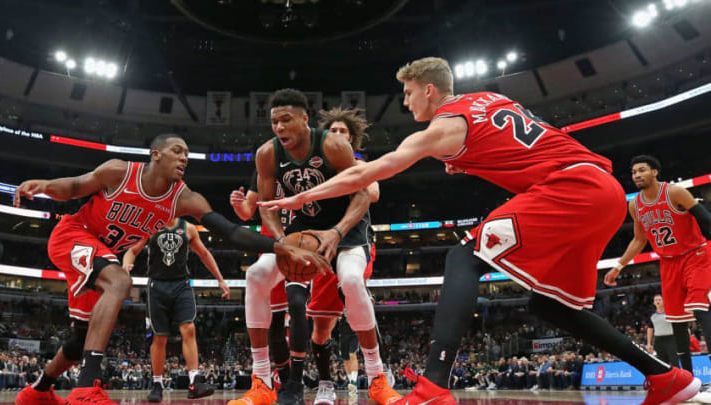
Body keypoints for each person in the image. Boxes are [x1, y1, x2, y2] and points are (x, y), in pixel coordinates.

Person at [260, 57, 701, 405]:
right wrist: (462, 159)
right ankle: (666, 376)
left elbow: (370, 171)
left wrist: (297, 199)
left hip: (571, 188)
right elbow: (507, 143)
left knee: (462, 257)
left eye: (409, 93)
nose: (406, 103)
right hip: (603, 191)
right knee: (553, 307)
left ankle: (433, 385)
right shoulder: (489, 98)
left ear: (430, 90)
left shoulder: (443, 126)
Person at [13, 134, 328, 405]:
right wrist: (44, 186)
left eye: (187, 154)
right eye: (177, 151)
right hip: (72, 237)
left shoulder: (184, 199)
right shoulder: (119, 172)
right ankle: (86, 387)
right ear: (156, 154)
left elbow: (230, 231)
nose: (184, 158)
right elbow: (74, 186)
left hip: (101, 256)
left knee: (79, 339)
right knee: (120, 280)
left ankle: (37, 391)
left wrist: (278, 246)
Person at [230, 89, 399, 405]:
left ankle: (377, 377)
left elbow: (362, 195)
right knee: (255, 276)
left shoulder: (333, 146)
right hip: (303, 235)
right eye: (274, 121)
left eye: (286, 119)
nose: (279, 127)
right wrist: (281, 241)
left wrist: (336, 232)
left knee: (350, 281)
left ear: (304, 119)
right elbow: (266, 205)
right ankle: (262, 382)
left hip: (346, 233)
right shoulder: (267, 153)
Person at [605, 155, 711, 400]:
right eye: (633, 172)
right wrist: (619, 265)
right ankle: (690, 382)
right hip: (668, 263)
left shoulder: (674, 192)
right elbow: (640, 240)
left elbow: (704, 217)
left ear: (655, 172)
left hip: (695, 254)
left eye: (642, 170)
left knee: (701, 307)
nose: (637, 175)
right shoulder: (635, 205)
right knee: (677, 321)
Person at [308, 107, 380, 405]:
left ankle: (378, 375)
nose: (337, 136)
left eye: (343, 133)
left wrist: (347, 171)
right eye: (332, 132)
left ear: (353, 141)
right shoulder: (312, 168)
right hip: (323, 248)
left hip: (356, 242)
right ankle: (325, 384)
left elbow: (373, 193)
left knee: (352, 284)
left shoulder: (361, 164)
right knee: (321, 329)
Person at [122, 217, 230, 401]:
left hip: (181, 284)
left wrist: (220, 278)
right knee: (160, 336)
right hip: (157, 285)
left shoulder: (188, 228)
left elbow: (204, 254)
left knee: (189, 327)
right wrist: (126, 265)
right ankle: (157, 383)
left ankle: (194, 380)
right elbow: (132, 250)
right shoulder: (150, 225)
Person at [230, 170, 295, 390]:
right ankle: (278, 376)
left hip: (306, 243)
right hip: (272, 250)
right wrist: (239, 205)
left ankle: (305, 375)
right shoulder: (263, 168)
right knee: (276, 323)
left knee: (306, 317)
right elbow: (247, 211)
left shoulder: (311, 163)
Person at [646, 294, 680, 368]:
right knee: (662, 364)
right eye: (656, 300)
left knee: (674, 362)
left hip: (671, 339)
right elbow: (650, 329)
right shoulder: (652, 315)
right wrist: (649, 343)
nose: (657, 301)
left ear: (664, 301)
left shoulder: (670, 312)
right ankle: (666, 379)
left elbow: (677, 325)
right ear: (654, 303)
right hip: (658, 341)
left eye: (659, 300)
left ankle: (678, 379)